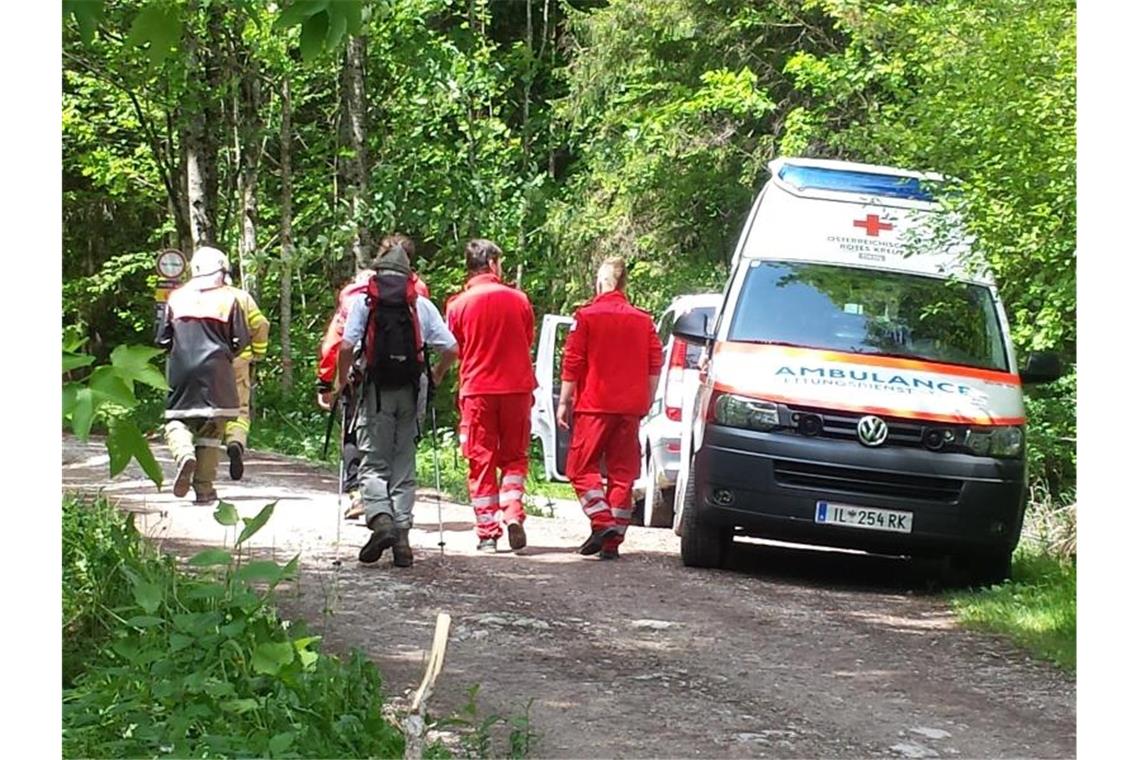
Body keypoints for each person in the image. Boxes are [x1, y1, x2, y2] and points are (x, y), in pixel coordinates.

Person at [333, 237, 457, 567]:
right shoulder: (420, 305)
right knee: (404, 462)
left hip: (375, 390)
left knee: (374, 462)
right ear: (408, 275)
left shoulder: (366, 303)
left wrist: (341, 379)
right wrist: (437, 374)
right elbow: (451, 348)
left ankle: (381, 519)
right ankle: (402, 539)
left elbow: (346, 346)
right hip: (412, 388)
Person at [317, 235, 431, 519]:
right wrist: (434, 377)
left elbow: (338, 341)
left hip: (365, 375)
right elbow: (432, 340)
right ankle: (398, 513)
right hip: (409, 379)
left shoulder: (359, 291)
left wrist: (330, 379)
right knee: (402, 445)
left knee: (357, 433)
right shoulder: (417, 291)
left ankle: (362, 496)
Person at [557, 257, 662, 559]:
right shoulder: (643, 320)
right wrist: (645, 400)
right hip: (630, 407)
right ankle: (612, 542)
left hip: (594, 405)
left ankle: (602, 522)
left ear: (601, 281)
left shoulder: (587, 316)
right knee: (622, 473)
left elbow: (573, 361)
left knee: (579, 468)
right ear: (623, 283)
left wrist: (564, 401)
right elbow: (655, 364)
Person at [445, 239, 536, 553]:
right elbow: (527, 339)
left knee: (480, 459)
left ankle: (487, 533)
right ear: (493, 263)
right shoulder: (519, 300)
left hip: (478, 390)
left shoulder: (457, 305)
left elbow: (453, 347)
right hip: (517, 389)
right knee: (515, 457)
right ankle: (513, 513)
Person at [156, 246, 251, 505]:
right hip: (217, 372)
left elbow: (162, 338)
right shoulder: (229, 299)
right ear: (220, 271)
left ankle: (184, 453)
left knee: (176, 420)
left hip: (181, 371)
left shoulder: (175, 297)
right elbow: (241, 340)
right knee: (212, 430)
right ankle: (205, 489)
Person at [222, 276, 269, 481]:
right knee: (239, 409)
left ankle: (194, 454)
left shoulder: (192, 296)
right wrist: (257, 353)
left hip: (199, 365)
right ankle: (235, 442)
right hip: (237, 361)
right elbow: (260, 324)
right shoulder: (241, 297)